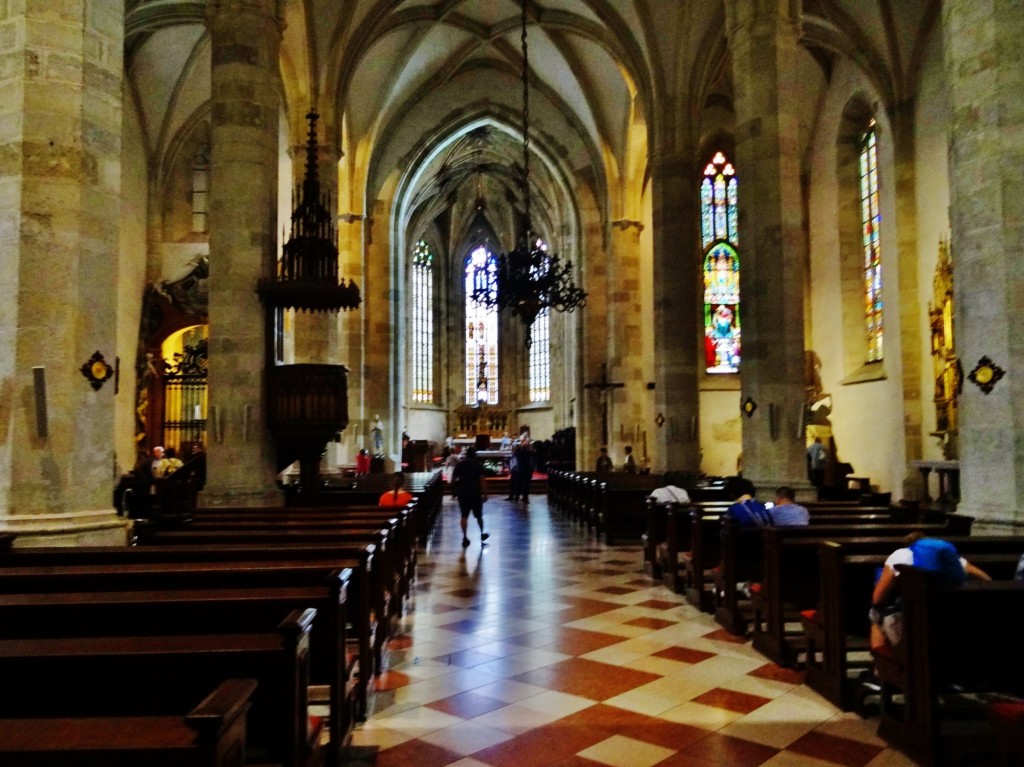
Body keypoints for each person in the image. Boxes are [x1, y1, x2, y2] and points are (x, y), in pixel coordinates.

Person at [869, 534, 991, 650]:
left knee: (875, 617)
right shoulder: (953, 559)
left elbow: (878, 597)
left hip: (916, 624)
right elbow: (986, 580)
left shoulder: (900, 555)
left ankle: (882, 661)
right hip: (953, 617)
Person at [452, 446, 489, 547]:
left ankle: (464, 537)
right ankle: (482, 533)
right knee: (479, 515)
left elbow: (453, 478)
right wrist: (485, 493)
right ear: (474, 455)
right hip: (475, 493)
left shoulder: (460, 464)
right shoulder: (477, 465)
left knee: (464, 515)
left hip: (463, 492)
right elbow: (482, 480)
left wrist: (455, 491)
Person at [512, 437, 535, 503]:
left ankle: (517, 497)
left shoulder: (519, 452)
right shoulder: (529, 452)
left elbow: (514, 453)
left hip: (520, 469)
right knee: (527, 484)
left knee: (518, 484)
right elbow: (533, 453)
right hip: (528, 470)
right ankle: (525, 497)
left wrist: (518, 447)